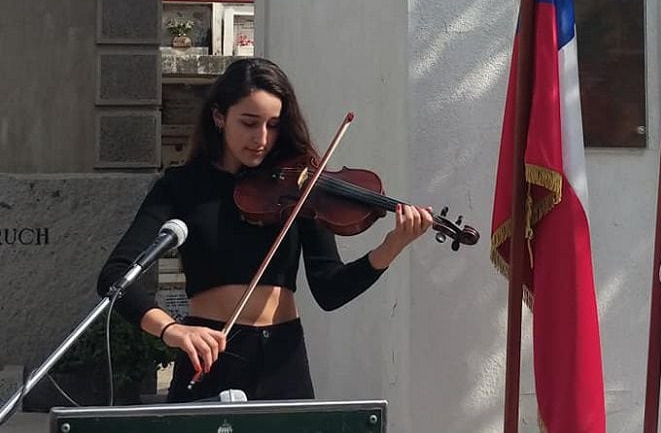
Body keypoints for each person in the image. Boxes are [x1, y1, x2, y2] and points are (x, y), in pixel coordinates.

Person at [97, 57, 433, 403]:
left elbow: (329, 289)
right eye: (249, 122)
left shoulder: (301, 187)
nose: (261, 138)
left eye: (273, 125)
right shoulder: (181, 186)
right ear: (218, 117)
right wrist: (172, 330)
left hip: (283, 359)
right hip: (211, 353)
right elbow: (116, 275)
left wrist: (390, 247)